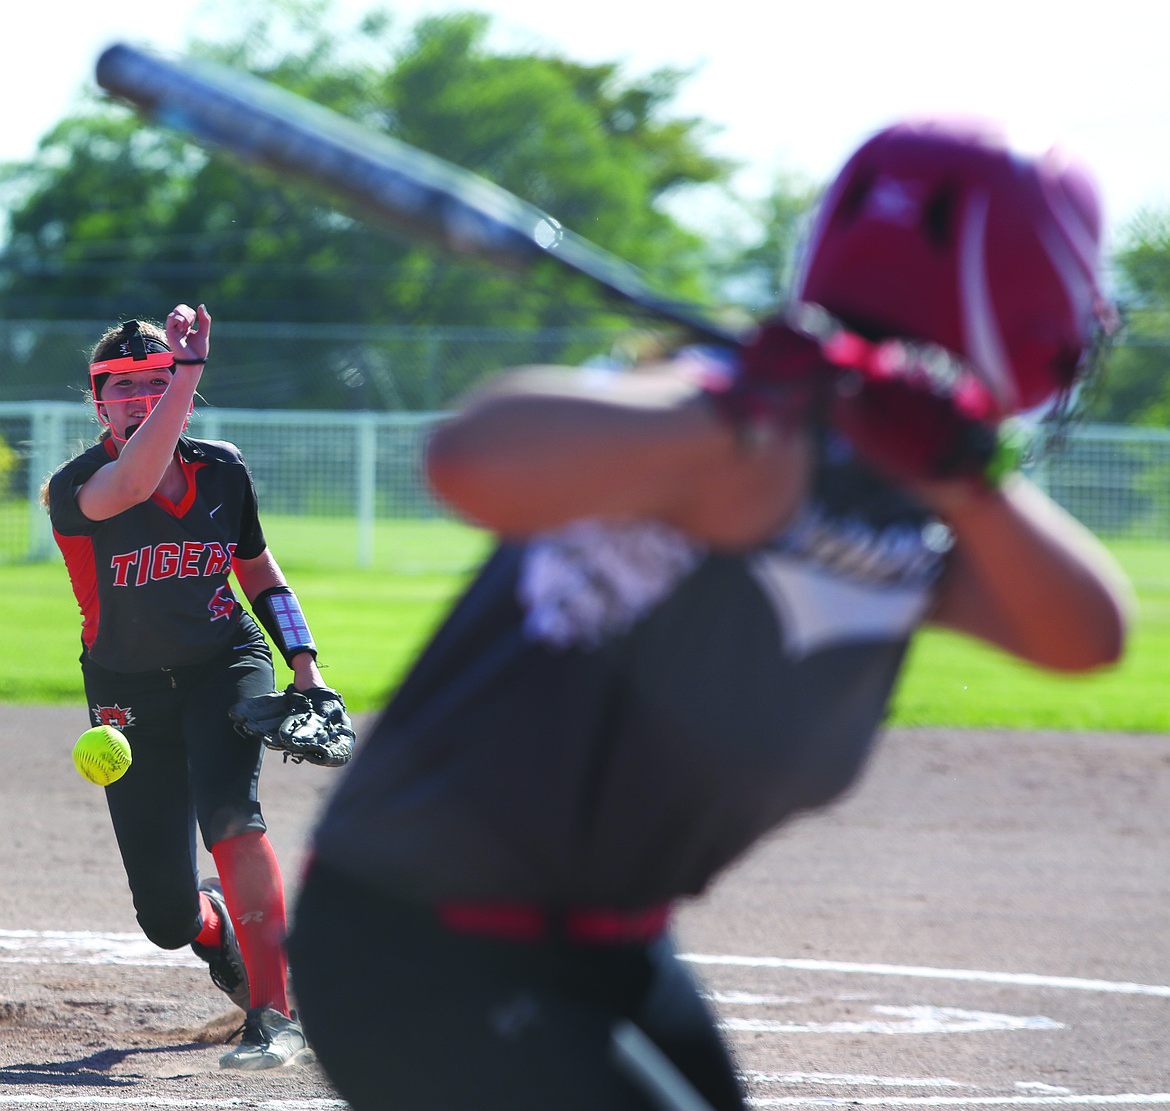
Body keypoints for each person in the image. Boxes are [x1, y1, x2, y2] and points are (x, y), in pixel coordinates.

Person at [286, 120, 1132, 1110]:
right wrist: (734, 412)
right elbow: (468, 457)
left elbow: (1085, 635)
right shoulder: (728, 429)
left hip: (612, 939)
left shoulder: (919, 492)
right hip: (416, 944)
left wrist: (964, 471)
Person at [45, 304, 344, 1070]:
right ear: (98, 399)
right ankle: (217, 928)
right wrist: (187, 372)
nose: (142, 395)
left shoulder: (223, 468)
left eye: (156, 379)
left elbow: (258, 573)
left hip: (224, 659)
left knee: (232, 816)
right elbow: (140, 475)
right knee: (166, 915)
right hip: (126, 690)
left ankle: (274, 1016)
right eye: (123, 386)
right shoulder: (76, 485)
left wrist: (306, 665)